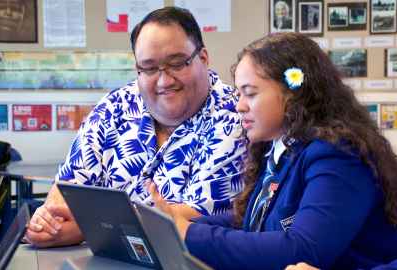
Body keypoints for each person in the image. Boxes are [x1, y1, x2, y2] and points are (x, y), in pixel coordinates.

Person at [150, 32, 397, 269]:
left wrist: (190, 234)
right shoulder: (282, 148)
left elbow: (302, 249)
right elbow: (253, 225)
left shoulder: (338, 155)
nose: (239, 106)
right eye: (239, 94)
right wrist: (177, 223)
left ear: (293, 94)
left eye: (250, 93)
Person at [25, 7, 247, 248]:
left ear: (203, 58)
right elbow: (65, 195)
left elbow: (186, 221)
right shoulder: (116, 106)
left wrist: (84, 228)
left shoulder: (234, 117)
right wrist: (48, 224)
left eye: (177, 63)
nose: (164, 80)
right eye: (149, 68)